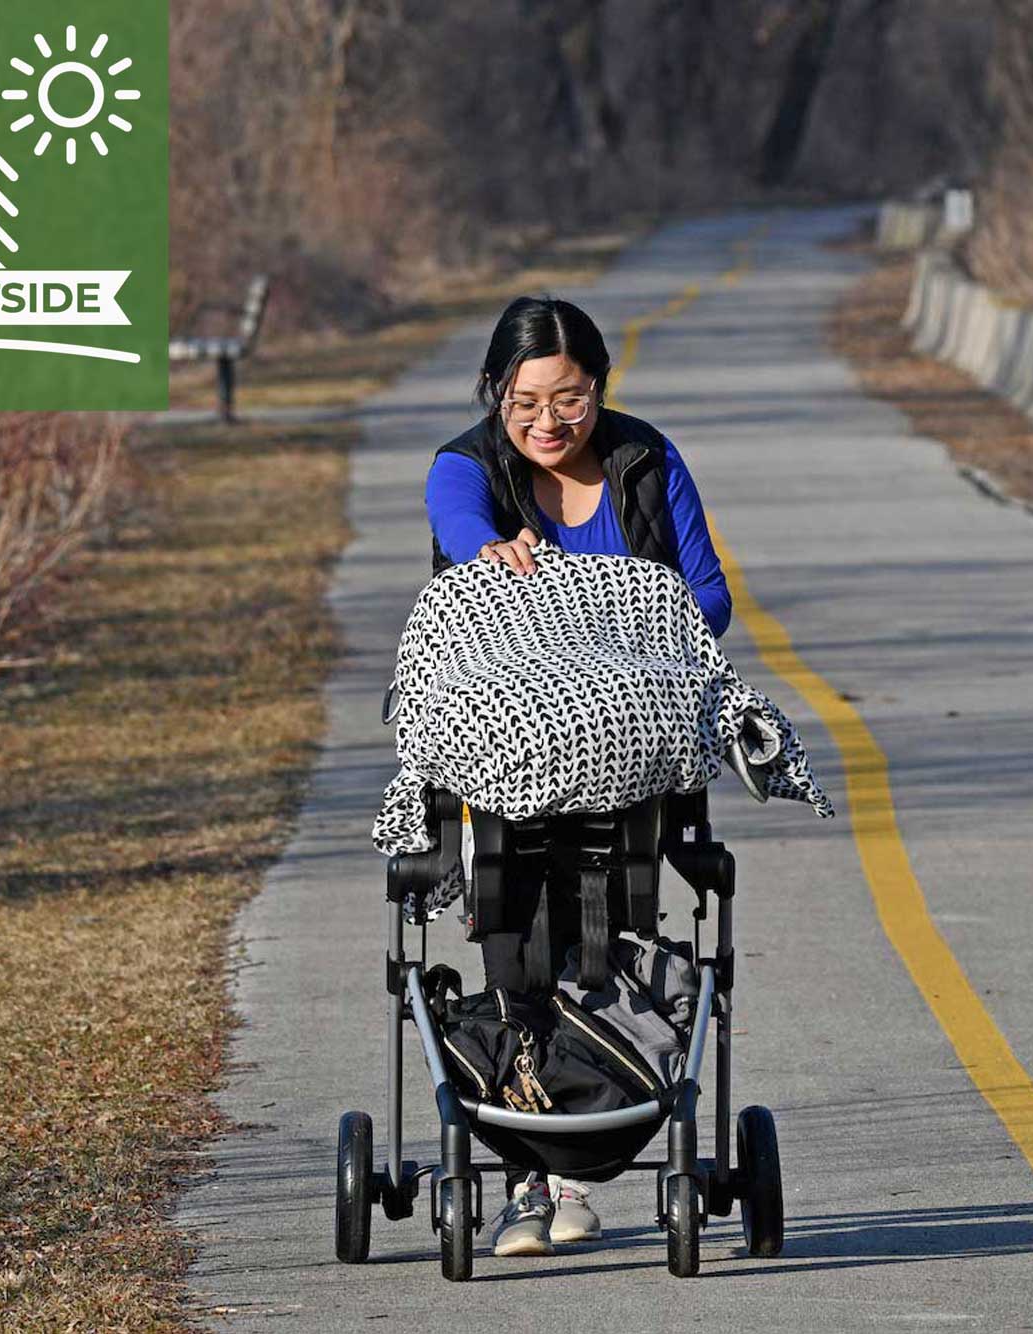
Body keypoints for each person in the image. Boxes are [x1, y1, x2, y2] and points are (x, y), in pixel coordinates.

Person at [423, 294, 733, 1259]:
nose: (549, 422)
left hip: (628, 752)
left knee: (612, 915)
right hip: (507, 754)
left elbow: (707, 594)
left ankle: (582, 1149)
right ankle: (526, 1165)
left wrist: (639, 628)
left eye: (571, 398)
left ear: (599, 388)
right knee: (513, 909)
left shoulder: (646, 460)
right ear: (495, 395)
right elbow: (462, 534)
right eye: (526, 403)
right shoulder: (464, 468)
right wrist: (500, 557)